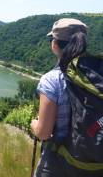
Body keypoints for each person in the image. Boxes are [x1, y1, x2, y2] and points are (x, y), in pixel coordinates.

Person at [31, 18, 89, 177]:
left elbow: (43, 133)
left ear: (54, 45)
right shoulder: (97, 77)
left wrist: (34, 124)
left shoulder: (52, 80)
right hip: (94, 161)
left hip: (59, 163)